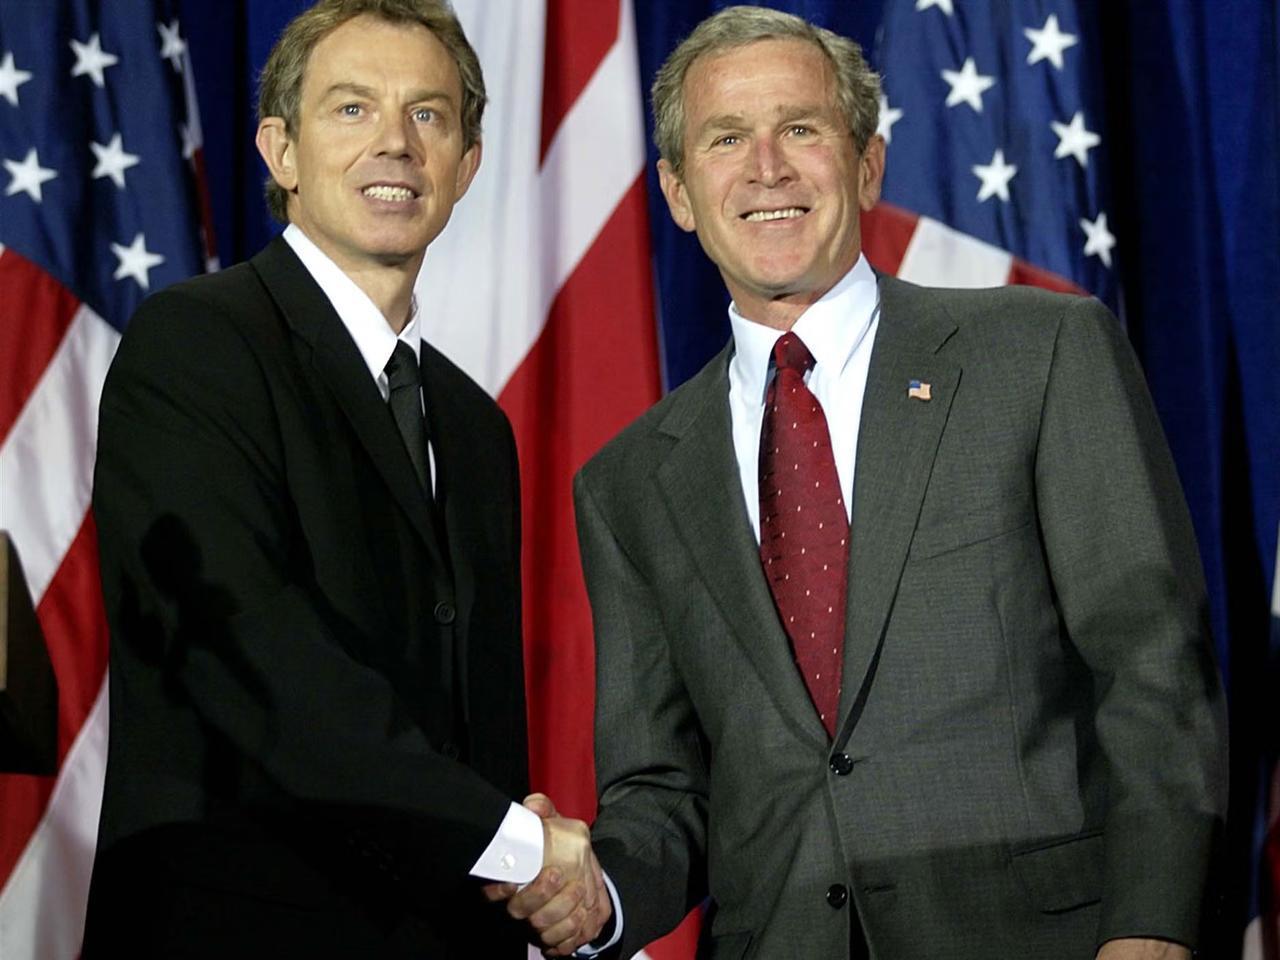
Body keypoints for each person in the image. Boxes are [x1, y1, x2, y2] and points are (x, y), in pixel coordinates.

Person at [506, 6, 1228, 959]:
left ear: (868, 164)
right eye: (728, 139)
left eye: (801, 128)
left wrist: (1149, 930)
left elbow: (1153, 672)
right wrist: (599, 894)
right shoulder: (630, 481)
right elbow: (665, 791)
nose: (767, 167)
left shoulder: (1042, 354)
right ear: (680, 193)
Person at [83, 1, 603, 956]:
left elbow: (481, 729)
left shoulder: (474, 426)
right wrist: (523, 846)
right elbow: (256, 663)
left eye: (429, 116)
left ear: (467, 167)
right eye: (352, 110)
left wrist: (521, 881)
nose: (396, 145)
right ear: (280, 151)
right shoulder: (197, 344)